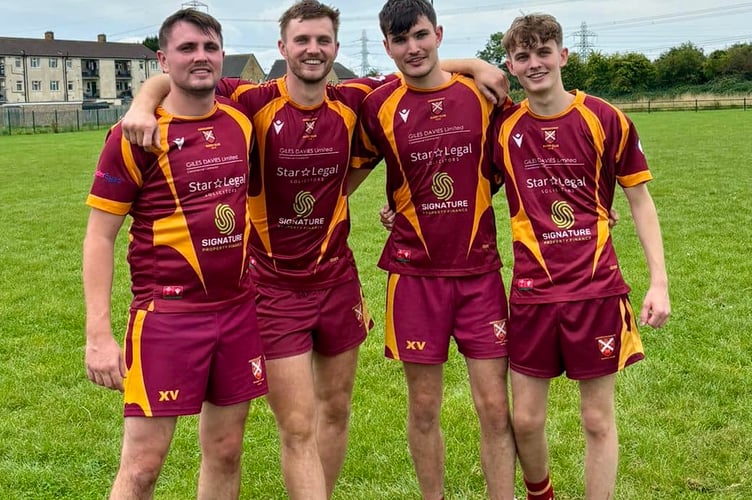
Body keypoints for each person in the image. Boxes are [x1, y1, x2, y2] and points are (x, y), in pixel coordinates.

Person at [119, 2, 509, 499]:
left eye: (323, 41)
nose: (313, 49)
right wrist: (139, 103)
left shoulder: (354, 97)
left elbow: (418, 64)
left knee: (336, 409)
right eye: (302, 40)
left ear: (336, 49)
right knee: (298, 425)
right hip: (275, 288)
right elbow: (180, 76)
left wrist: (475, 65)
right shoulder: (251, 100)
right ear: (282, 48)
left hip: (337, 280)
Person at [82, 9, 267, 499]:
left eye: (210, 48)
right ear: (163, 60)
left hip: (236, 312)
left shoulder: (240, 121)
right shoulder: (135, 134)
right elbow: (99, 237)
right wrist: (98, 335)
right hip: (167, 317)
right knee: (143, 466)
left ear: (223, 55)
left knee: (227, 449)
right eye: (187, 49)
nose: (200, 58)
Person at [489, 13, 671, 500]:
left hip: (596, 291)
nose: (535, 64)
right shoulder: (504, 128)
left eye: (544, 52)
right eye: (522, 56)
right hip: (531, 293)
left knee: (596, 418)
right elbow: (468, 186)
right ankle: (540, 493)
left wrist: (659, 282)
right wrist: (397, 209)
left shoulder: (605, 118)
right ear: (510, 64)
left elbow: (640, 201)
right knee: (525, 420)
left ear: (563, 56)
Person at [348, 1, 516, 498]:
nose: (413, 48)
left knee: (494, 407)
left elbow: (526, 161)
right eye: (400, 40)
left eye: (421, 35)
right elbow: (342, 181)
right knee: (424, 408)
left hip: (479, 272)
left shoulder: (482, 92)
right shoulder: (377, 105)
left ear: (439, 33)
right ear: (386, 46)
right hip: (413, 277)